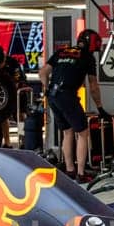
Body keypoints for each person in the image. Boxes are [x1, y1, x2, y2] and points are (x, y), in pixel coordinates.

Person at [41, 33, 103, 180]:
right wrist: (100, 107)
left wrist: (46, 88)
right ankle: (81, 173)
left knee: (67, 132)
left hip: (53, 95)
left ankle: (70, 170)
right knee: (82, 133)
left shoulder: (61, 52)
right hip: (67, 95)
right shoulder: (87, 57)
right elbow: (93, 86)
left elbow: (43, 72)